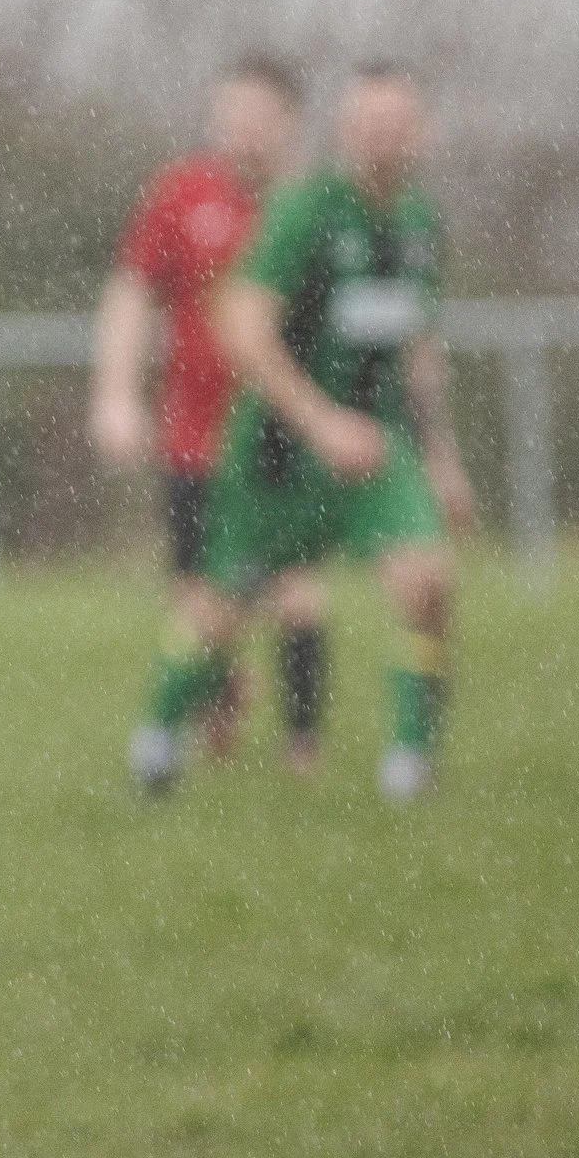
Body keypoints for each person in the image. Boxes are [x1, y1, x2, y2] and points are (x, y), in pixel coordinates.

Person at [130, 64, 476, 801]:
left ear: (422, 134)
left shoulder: (420, 225)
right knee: (220, 611)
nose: (382, 142)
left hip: (378, 449)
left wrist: (444, 459)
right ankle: (160, 733)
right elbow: (241, 326)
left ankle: (410, 763)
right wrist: (320, 422)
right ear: (345, 132)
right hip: (278, 454)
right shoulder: (305, 212)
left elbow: (417, 351)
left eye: (397, 127)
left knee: (428, 581)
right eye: (368, 127)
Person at [92, 56, 328, 772]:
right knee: (201, 604)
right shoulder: (181, 194)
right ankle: (216, 712)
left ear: (288, 123)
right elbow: (131, 293)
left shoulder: (312, 209)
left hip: (282, 440)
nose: (240, 132)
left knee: (297, 594)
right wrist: (115, 395)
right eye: (229, 115)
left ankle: (302, 754)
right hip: (196, 440)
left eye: (257, 117)